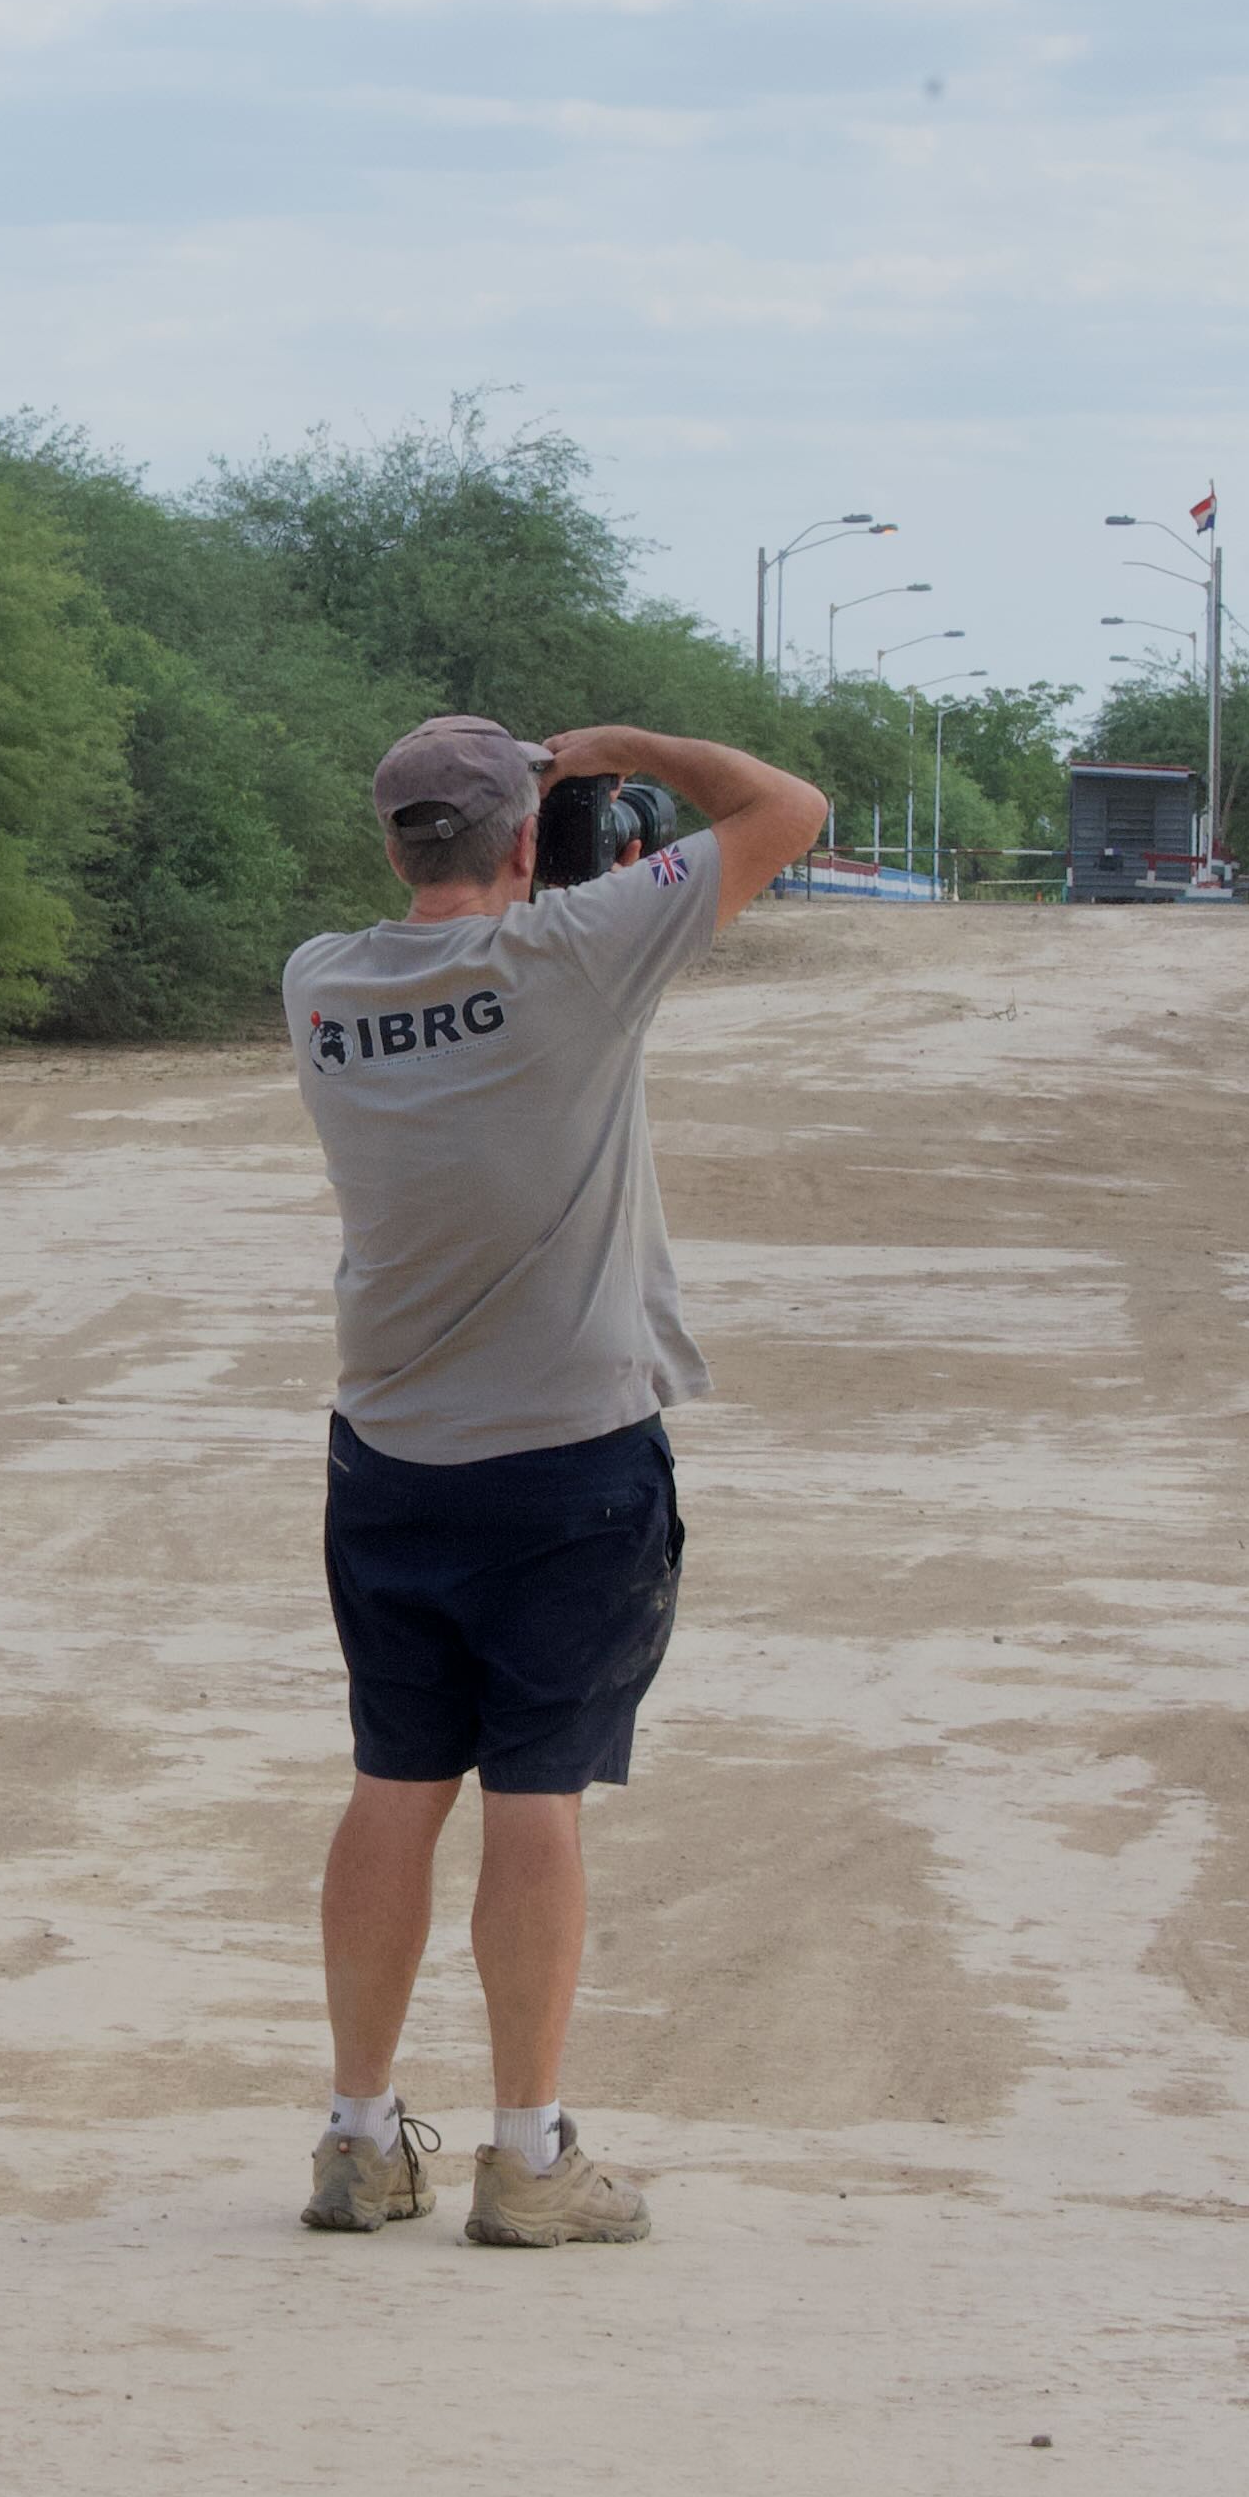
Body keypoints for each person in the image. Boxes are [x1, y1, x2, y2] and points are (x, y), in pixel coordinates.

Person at [281, 710, 827, 2248]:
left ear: (393, 839)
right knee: (537, 1795)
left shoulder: (321, 984)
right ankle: (526, 2159)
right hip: (570, 1461)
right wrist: (621, 747)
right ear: (529, 836)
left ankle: (357, 2138)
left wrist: (546, 808)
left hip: (389, 1453)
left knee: (396, 1781)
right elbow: (788, 809)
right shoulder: (579, 955)